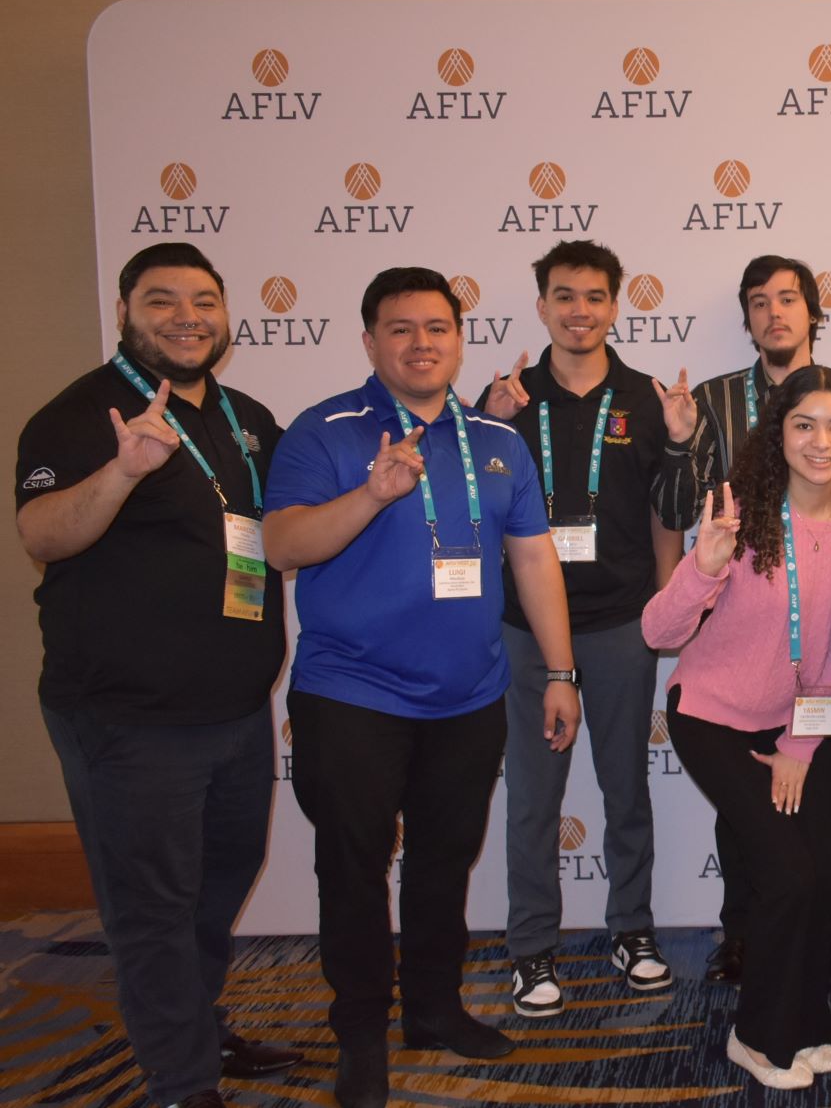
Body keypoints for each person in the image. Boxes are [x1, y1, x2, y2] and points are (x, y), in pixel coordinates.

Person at [262, 267, 580, 1108]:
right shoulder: (324, 431)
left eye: (437, 327)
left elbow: (534, 558)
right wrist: (371, 494)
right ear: (369, 341)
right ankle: (361, 1031)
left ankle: (433, 1010)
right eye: (400, 328)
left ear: (459, 338)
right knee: (355, 867)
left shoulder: (499, 442)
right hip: (353, 696)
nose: (421, 343)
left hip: (469, 696)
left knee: (445, 860)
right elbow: (284, 546)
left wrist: (559, 671)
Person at [15, 243, 300, 1108]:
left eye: (203, 300)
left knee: (215, 885)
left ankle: (192, 1025)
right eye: (161, 300)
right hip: (128, 720)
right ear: (124, 312)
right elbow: (42, 536)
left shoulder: (247, 416)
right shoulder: (80, 414)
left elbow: (276, 533)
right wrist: (121, 472)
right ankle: (180, 1081)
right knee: (152, 907)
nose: (186, 317)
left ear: (226, 315)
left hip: (237, 709)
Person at [643, 367, 831, 1089]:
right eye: (804, 425)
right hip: (713, 714)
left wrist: (799, 746)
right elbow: (660, 629)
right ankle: (755, 1036)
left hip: (800, 721)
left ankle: (806, 1023)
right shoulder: (740, 508)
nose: (821, 441)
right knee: (786, 874)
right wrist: (703, 565)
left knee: (819, 876)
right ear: (777, 432)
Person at [475, 240, 695, 1016]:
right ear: (541, 306)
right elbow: (472, 508)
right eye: (564, 297)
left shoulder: (642, 396)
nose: (579, 311)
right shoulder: (505, 398)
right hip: (525, 630)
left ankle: (631, 930)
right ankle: (532, 949)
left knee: (625, 790)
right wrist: (484, 427)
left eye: (595, 297)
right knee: (534, 797)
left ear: (614, 306)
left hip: (618, 625)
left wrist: (676, 441)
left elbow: (675, 513)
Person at [686, 253, 831, 986]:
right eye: (759, 302)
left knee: (818, 801)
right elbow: (684, 512)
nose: (775, 313)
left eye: (789, 300)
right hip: (745, 651)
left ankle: (821, 934)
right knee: (745, 813)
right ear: (746, 319)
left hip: (826, 658)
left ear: (813, 311)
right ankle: (742, 936)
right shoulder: (712, 401)